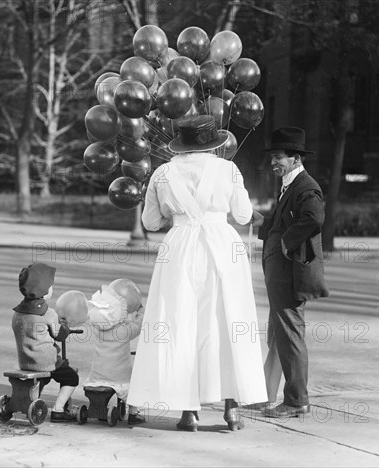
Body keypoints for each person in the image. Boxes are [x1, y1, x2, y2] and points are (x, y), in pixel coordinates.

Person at [127, 115, 268, 432]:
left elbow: (150, 222)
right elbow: (243, 214)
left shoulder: (163, 173)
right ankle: (232, 408)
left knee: (180, 323)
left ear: (182, 143)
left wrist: (177, 213)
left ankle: (187, 410)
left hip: (180, 247)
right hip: (221, 245)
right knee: (228, 320)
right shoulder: (227, 170)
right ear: (212, 143)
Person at [257, 127, 329, 418]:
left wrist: (286, 243)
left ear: (295, 158)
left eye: (279, 158)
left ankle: (297, 400)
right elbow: (283, 221)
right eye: (273, 157)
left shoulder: (305, 186)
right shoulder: (290, 184)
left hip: (289, 273)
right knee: (278, 334)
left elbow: (314, 218)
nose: (274, 163)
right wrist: (263, 222)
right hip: (280, 271)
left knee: (289, 333)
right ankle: (265, 395)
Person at [11, 262, 80, 423]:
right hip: (46, 362)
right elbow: (59, 335)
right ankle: (58, 410)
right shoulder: (48, 314)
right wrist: (66, 327)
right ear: (44, 290)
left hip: (25, 361)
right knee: (71, 377)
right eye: (51, 286)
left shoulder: (17, 313)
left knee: (44, 378)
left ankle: (29, 401)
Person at [83, 282, 146, 425]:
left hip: (96, 376)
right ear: (120, 313)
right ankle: (134, 414)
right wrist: (140, 309)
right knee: (134, 387)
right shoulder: (124, 331)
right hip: (118, 378)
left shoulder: (97, 329)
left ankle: (97, 408)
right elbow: (139, 324)